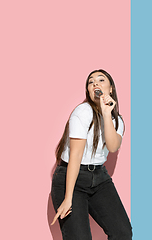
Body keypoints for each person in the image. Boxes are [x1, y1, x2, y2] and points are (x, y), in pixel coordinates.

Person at [51, 69, 132, 240]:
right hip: (71, 177)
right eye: (90, 82)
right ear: (88, 90)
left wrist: (106, 113)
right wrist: (68, 198)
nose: (95, 83)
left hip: (99, 178)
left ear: (110, 89)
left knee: (122, 232)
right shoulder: (82, 112)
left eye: (101, 80)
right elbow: (76, 156)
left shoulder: (117, 120)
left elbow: (112, 146)